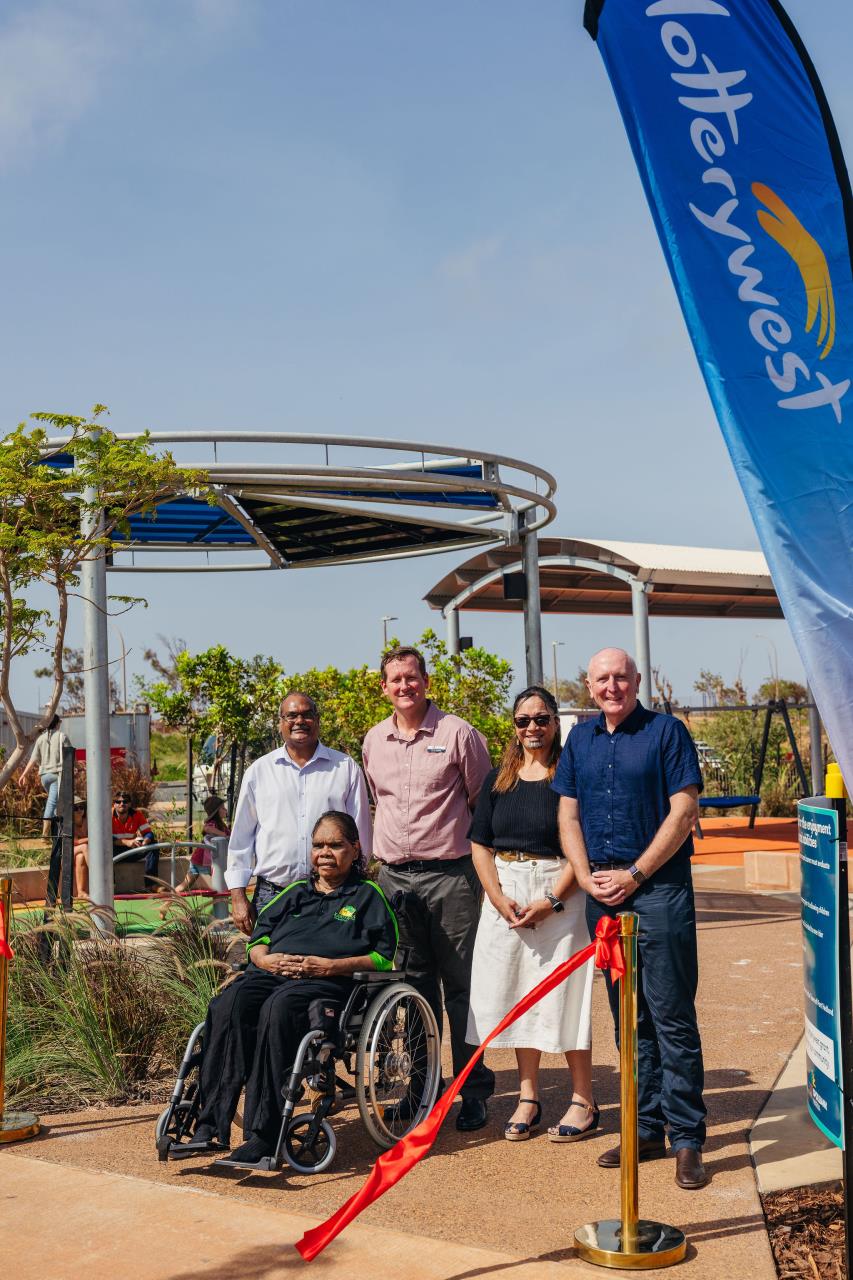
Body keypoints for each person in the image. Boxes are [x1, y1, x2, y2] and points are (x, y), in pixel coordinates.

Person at [554, 647, 707, 1189]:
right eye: (602, 678)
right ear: (589, 685)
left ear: (636, 680)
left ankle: (688, 1139)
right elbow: (567, 814)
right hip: (603, 897)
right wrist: (585, 873)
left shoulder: (667, 733)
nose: (612, 686)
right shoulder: (580, 740)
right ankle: (644, 1128)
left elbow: (684, 811)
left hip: (658, 891)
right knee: (628, 1020)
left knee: (671, 1017)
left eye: (621, 676)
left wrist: (635, 876)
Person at [187, 811, 398, 1165]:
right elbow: (259, 938)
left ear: (355, 848)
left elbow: (383, 958)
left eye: (335, 845)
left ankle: (262, 1135)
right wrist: (264, 960)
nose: (325, 853)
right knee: (229, 1003)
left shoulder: (367, 896)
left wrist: (331, 966)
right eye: (318, 845)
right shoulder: (294, 893)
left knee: (278, 1009)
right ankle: (209, 1126)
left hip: (326, 983)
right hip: (272, 974)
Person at [362, 645, 495, 1131]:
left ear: (426, 682)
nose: (404, 686)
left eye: (412, 678)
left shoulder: (458, 734)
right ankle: (422, 1088)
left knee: (462, 989)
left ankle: (473, 1089)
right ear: (384, 687)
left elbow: (483, 804)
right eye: (395, 679)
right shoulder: (373, 740)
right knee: (411, 988)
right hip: (395, 879)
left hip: (451, 877)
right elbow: (379, 801)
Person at [467, 686, 596, 1142]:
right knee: (519, 995)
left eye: (541, 719)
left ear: (555, 722)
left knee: (567, 999)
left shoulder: (569, 774)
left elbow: (581, 843)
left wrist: (553, 901)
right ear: (514, 727)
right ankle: (529, 1096)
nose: (532, 728)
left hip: (559, 891)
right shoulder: (498, 780)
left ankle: (583, 1098)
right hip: (507, 894)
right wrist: (498, 897)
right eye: (523, 721)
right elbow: (479, 842)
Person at [225, 692, 372, 933]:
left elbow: (362, 836)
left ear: (318, 719)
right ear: (281, 722)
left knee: (331, 968)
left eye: (307, 715)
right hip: (273, 896)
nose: (299, 721)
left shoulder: (345, 769)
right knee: (272, 968)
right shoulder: (259, 772)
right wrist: (238, 896)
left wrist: (358, 890)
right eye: (291, 715)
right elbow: (241, 840)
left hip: (334, 896)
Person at [18, 714, 72, 839]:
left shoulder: (40, 739)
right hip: (57, 774)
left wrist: (23, 774)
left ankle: (56, 832)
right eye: (60, 722)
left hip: (44, 776)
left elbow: (33, 759)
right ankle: (45, 835)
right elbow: (70, 756)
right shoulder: (62, 736)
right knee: (53, 803)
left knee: (57, 803)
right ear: (57, 723)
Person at [177, 794, 230, 894]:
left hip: (200, 860)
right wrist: (223, 835)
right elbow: (207, 829)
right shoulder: (213, 823)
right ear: (216, 811)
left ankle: (165, 905)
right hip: (204, 861)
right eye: (223, 808)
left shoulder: (222, 825)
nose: (225, 810)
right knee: (222, 883)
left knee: (185, 885)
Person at [112, 791, 160, 890]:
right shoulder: (107, 815)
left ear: (129, 804)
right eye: (118, 802)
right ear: (114, 804)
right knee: (103, 850)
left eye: (125, 801)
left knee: (153, 845)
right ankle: (110, 886)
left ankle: (151, 885)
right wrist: (126, 842)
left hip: (131, 851)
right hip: (113, 852)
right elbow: (105, 839)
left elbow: (148, 833)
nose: (122, 804)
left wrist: (146, 840)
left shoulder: (137, 815)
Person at [72, 799, 90, 898]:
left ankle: (81, 892)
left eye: (81, 807)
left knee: (80, 857)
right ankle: (95, 872)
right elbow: (75, 842)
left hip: (79, 852)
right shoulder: (68, 823)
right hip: (68, 851)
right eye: (75, 808)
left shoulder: (87, 820)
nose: (79, 810)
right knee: (84, 846)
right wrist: (90, 838)